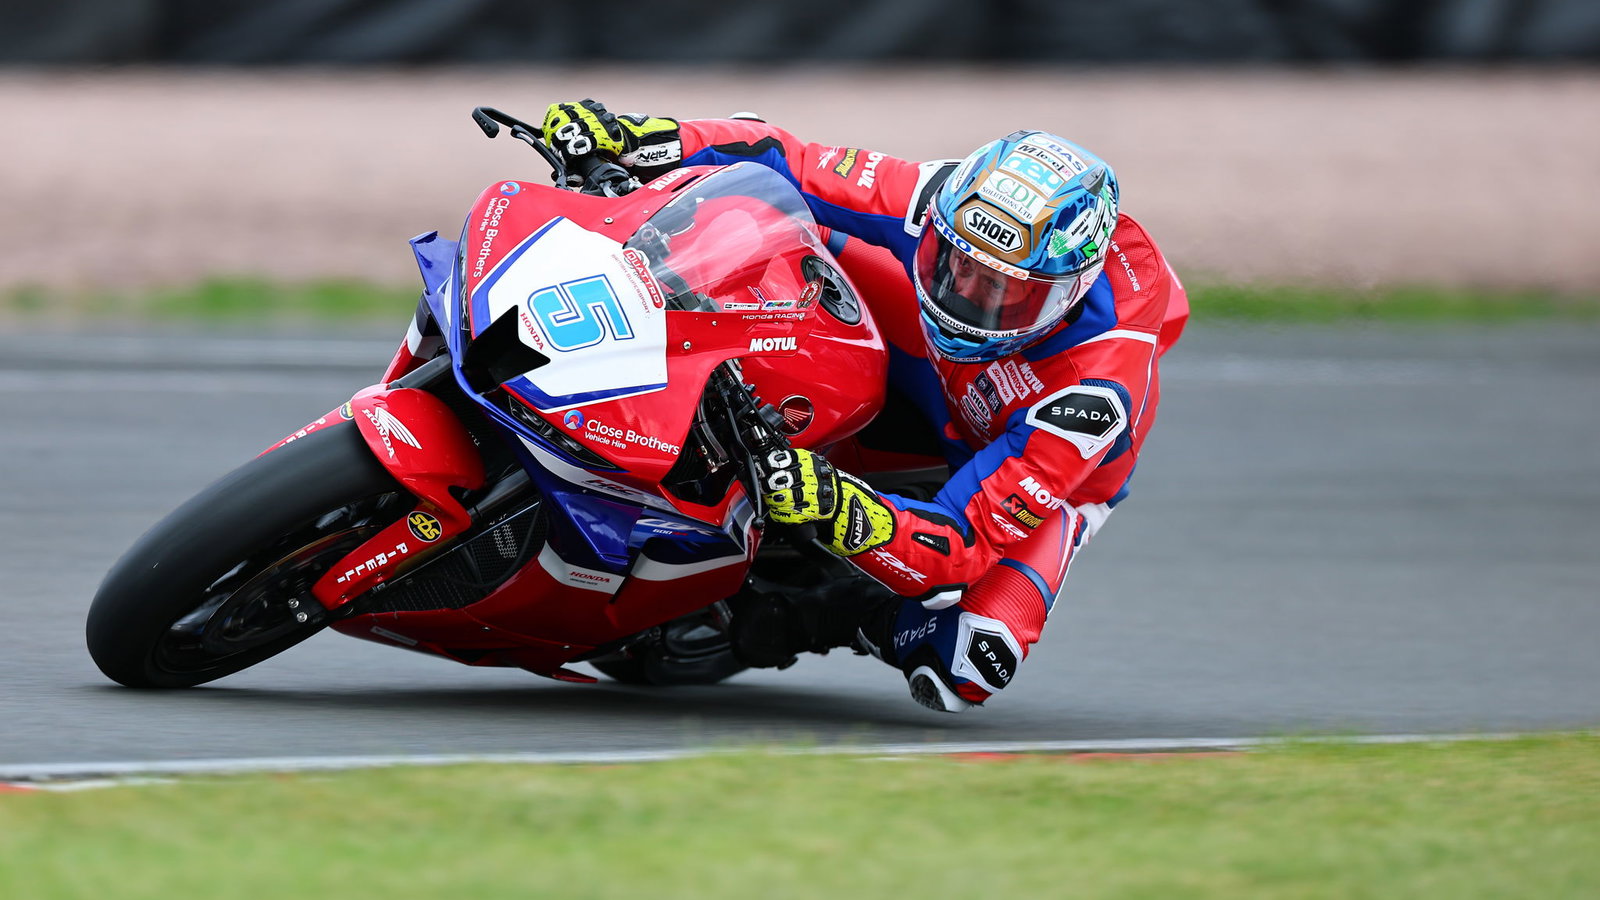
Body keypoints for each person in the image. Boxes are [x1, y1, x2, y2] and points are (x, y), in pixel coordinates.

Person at [541, 100, 1188, 713]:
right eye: (952, 263)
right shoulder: (943, 200)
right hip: (931, 359)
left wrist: (834, 503)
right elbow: (781, 156)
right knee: (769, 223)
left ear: (1066, 294)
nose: (962, 295)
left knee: (967, 663)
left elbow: (957, 546)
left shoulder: (1092, 397)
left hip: (1018, 451)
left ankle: (815, 615)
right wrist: (636, 138)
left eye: (999, 291)